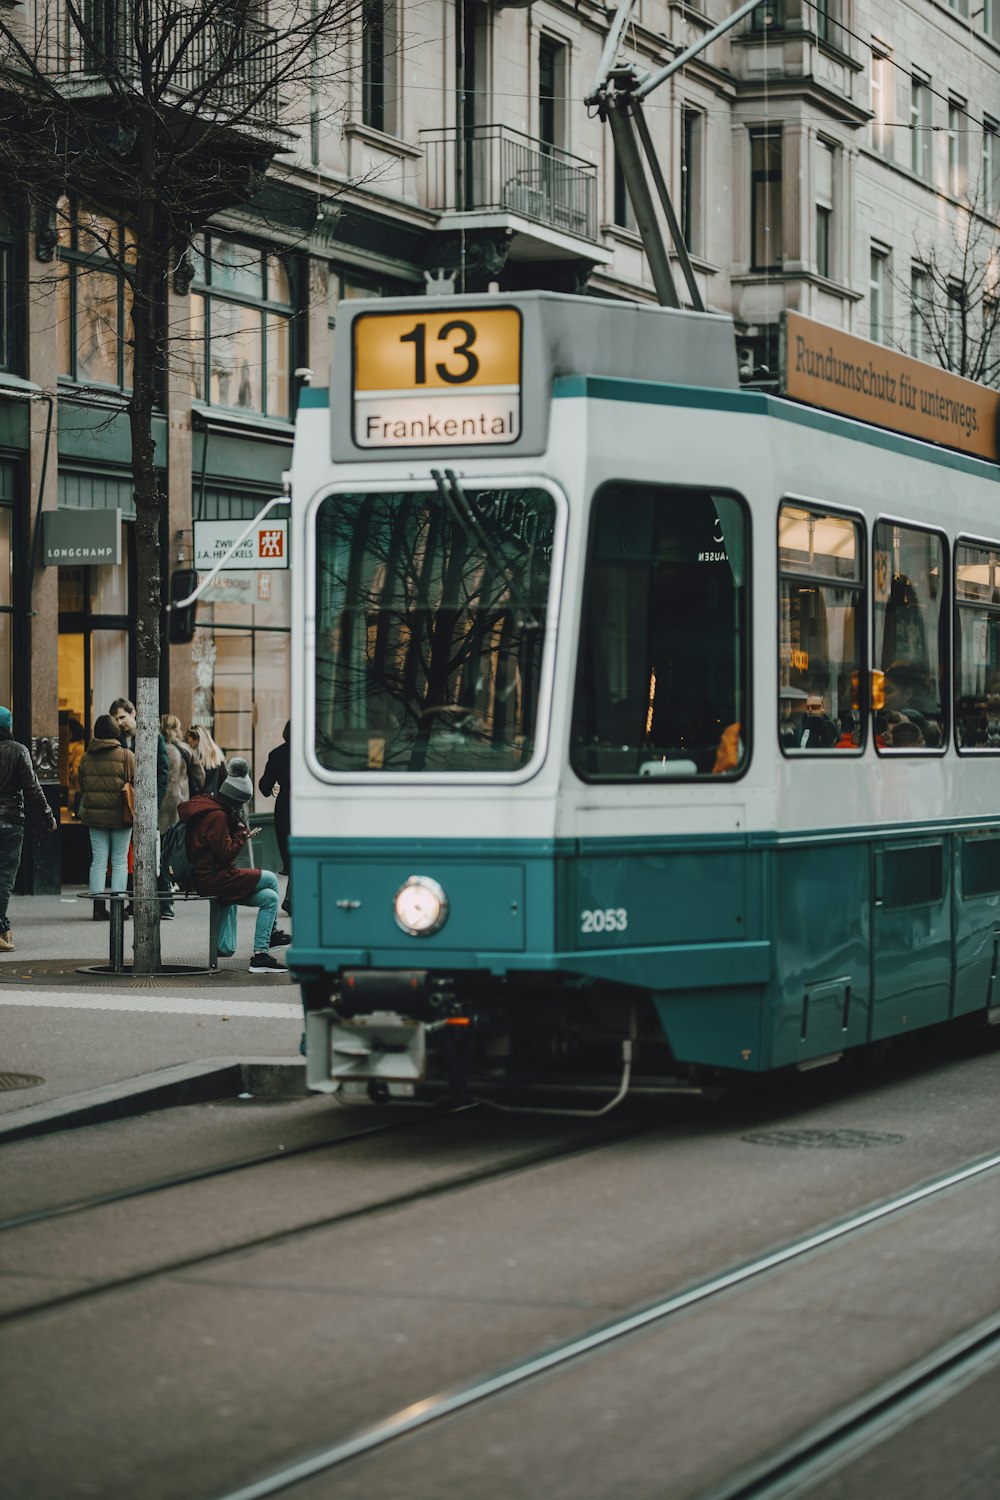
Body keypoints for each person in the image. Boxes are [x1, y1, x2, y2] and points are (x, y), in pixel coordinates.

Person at [179, 757, 289, 974]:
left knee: (271, 898)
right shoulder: (217, 816)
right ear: (236, 800)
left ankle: (261, 954)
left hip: (213, 875)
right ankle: (271, 939)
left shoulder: (212, 807)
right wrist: (241, 833)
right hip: (215, 878)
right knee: (270, 878)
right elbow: (226, 852)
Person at [0, 706, 58, 951]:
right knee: (4, 878)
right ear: (9, 726)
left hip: (11, 822)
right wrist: (48, 815)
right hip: (11, 822)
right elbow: (32, 787)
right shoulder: (18, 751)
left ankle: (4, 926)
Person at [79, 713, 135, 920]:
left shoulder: (86, 757)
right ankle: (118, 907)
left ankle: (98, 908)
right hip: (122, 816)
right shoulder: (127, 756)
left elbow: (80, 785)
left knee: (99, 861)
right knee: (120, 861)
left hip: (95, 817)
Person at [258, 721, 291, 915]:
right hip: (305, 805)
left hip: (284, 807)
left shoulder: (277, 754)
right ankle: (291, 897)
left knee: (289, 854)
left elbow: (264, 787)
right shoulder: (316, 753)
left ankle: (291, 897)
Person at [186, 724, 226, 796]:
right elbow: (224, 779)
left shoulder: (195, 758)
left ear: (197, 740)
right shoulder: (217, 755)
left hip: (198, 801)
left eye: (187, 739)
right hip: (215, 800)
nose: (186, 742)